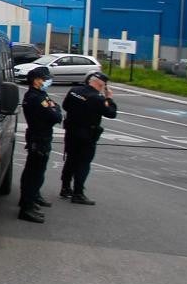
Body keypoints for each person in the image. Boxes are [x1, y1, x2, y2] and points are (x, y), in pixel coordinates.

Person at [59, 71, 118, 205]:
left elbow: (65, 106)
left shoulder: (75, 90)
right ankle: (78, 193)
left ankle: (65, 187)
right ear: (100, 85)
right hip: (87, 135)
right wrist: (109, 98)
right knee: (83, 163)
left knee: (70, 160)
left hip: (71, 131)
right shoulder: (98, 98)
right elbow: (111, 113)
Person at [18, 66, 61, 223]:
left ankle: (30, 200)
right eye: (45, 79)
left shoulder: (39, 95)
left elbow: (56, 108)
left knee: (35, 172)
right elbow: (55, 116)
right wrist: (55, 109)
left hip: (39, 137)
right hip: (39, 138)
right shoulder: (36, 98)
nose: (47, 81)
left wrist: (55, 108)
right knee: (34, 174)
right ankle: (27, 207)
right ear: (36, 80)